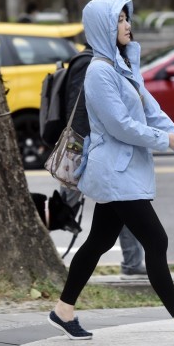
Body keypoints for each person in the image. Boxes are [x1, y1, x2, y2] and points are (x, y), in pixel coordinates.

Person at [47, 0, 174, 345]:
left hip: (124, 172)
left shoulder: (123, 67)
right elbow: (121, 126)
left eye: (127, 19)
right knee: (156, 239)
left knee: (99, 241)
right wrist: (167, 141)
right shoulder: (98, 72)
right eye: (120, 20)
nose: (127, 25)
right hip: (114, 172)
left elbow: (155, 115)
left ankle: (63, 310)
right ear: (103, 27)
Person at [60, 43, 146, 279]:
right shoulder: (92, 65)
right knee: (62, 210)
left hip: (92, 150)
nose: (127, 27)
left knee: (113, 215)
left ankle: (132, 261)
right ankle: (37, 250)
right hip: (86, 151)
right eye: (118, 20)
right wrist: (86, 152)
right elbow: (80, 112)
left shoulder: (97, 62)